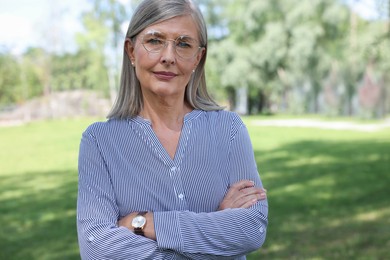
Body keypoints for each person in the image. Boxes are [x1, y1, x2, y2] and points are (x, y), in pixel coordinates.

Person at [76, 0, 268, 259]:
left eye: (183, 44)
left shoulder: (228, 129)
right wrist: (216, 229)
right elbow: (97, 249)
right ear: (131, 51)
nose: (168, 56)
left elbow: (250, 229)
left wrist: (146, 224)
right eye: (155, 41)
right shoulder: (99, 141)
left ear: (198, 58)